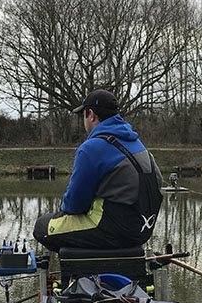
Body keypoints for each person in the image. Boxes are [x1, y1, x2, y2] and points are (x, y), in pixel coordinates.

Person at [33, 89, 163, 252]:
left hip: (112, 231)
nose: (83, 121)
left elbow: (74, 205)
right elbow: (158, 182)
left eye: (83, 116)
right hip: (142, 231)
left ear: (91, 115)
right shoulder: (138, 144)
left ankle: (81, 273)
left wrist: (64, 209)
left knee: (43, 226)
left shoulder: (91, 148)